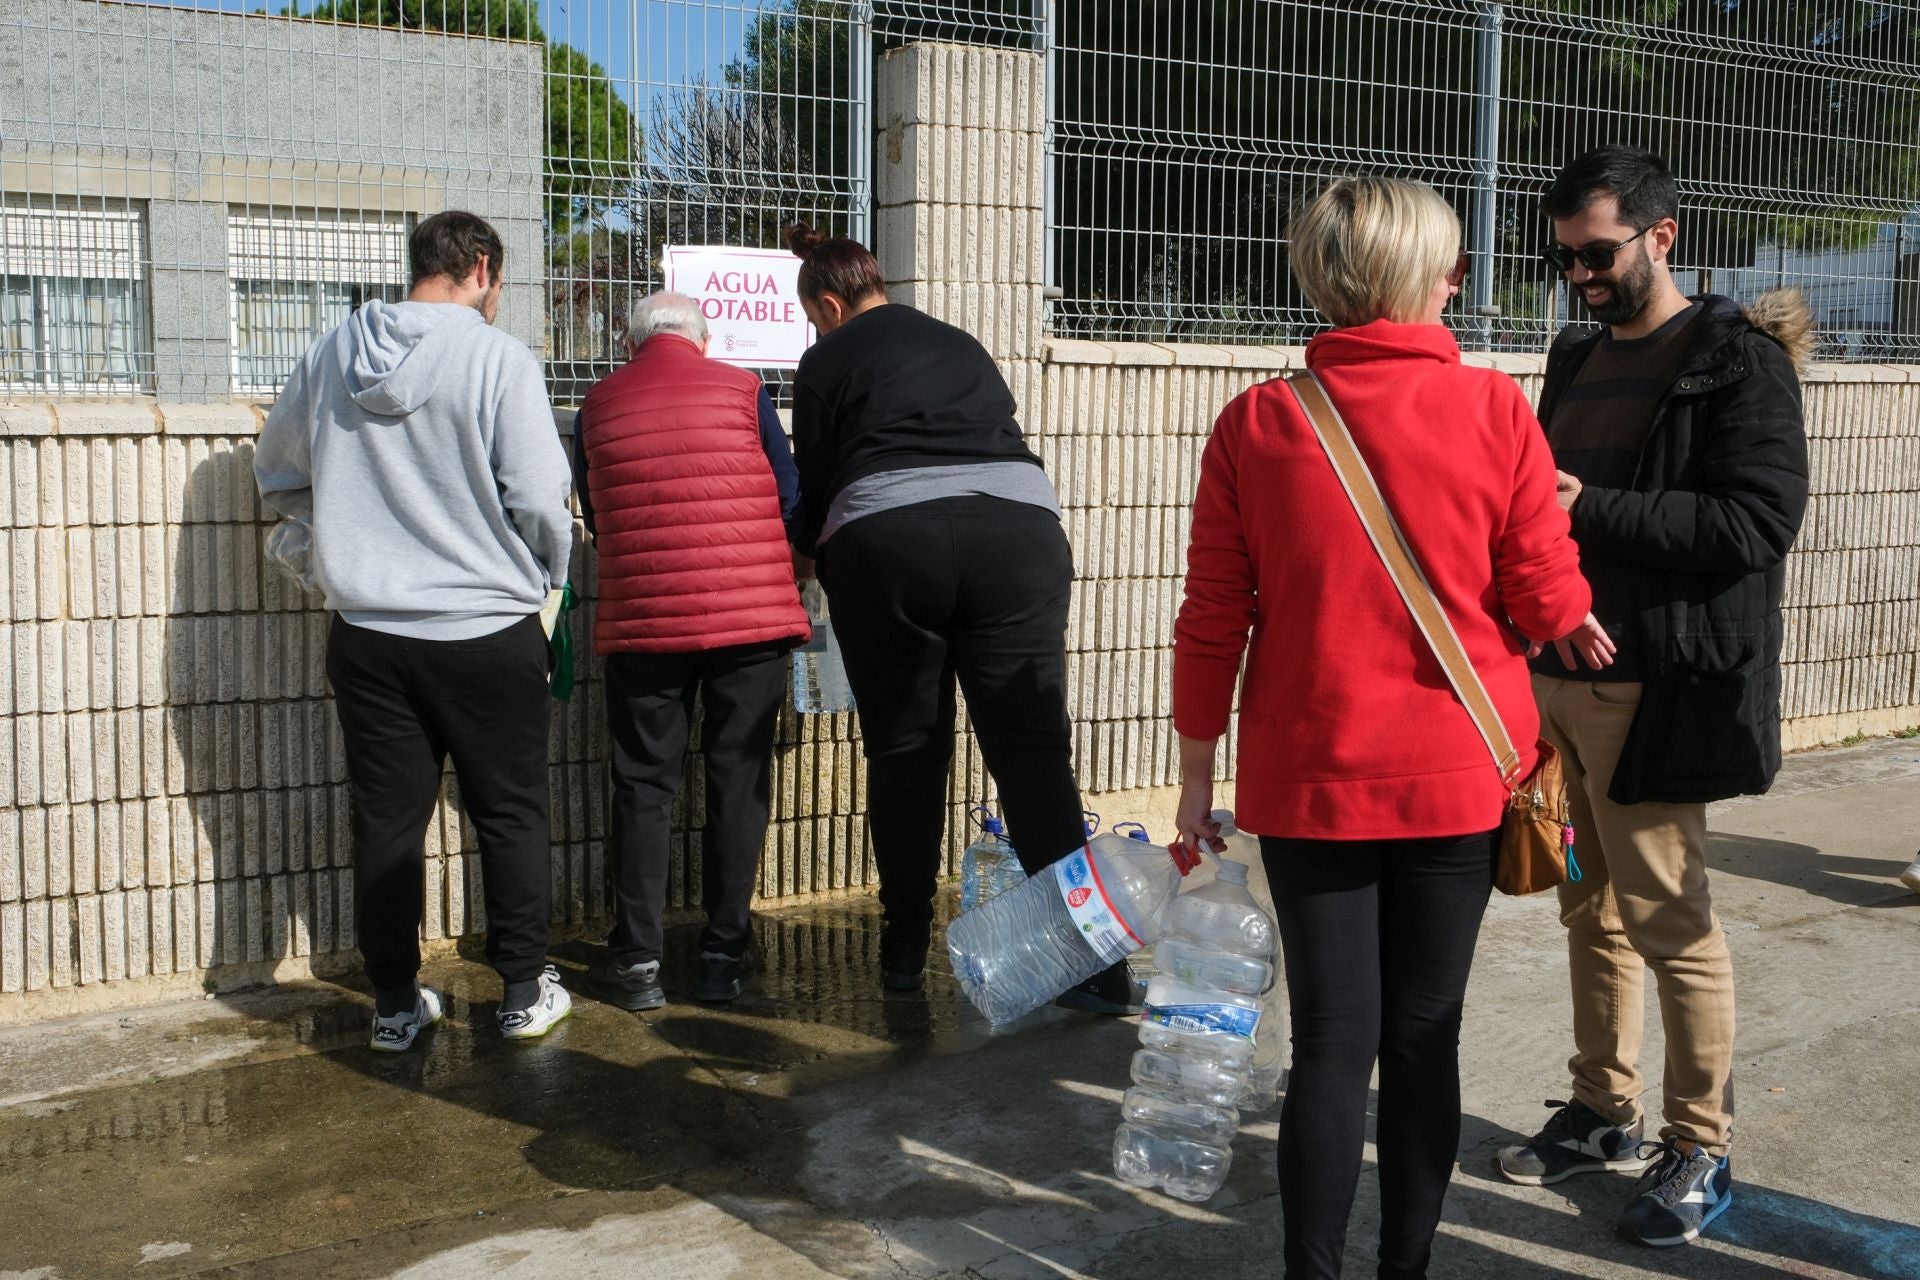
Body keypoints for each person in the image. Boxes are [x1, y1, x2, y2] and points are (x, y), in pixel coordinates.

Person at [1172, 177, 1609, 1279]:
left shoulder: (1259, 421)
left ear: (1326, 278)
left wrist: (1191, 783)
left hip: (1311, 780)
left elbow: (1212, 618)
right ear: (1434, 279)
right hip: (1460, 776)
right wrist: (1570, 597)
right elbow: (1540, 595)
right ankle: (1405, 1267)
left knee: (1328, 1044)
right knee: (1425, 1036)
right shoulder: (1496, 409)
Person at [1495, 146, 1810, 1248]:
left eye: (1596, 251)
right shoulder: (1575, 355)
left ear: (1660, 235)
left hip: (1654, 686)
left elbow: (1753, 526)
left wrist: (1592, 506)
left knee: (1674, 920)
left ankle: (1700, 1143)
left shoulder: (1736, 360)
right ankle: (1601, 1107)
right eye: (1563, 254)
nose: (1577, 272)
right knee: (1590, 909)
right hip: (1555, 681)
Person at [784, 221, 1137, 1013]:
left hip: (890, 543)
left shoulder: (825, 360)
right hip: (1017, 533)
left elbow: (814, 484)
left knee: (907, 751)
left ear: (831, 306)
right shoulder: (957, 340)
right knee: (1033, 753)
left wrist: (805, 552)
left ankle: (905, 950)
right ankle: (1094, 969)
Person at [254, 210, 577, 1049]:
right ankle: (519, 991)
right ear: (479, 267)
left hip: (368, 632)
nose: (497, 298)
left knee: (387, 820)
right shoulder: (498, 359)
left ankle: (396, 1005)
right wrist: (549, 577)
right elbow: (542, 497)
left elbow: (278, 471)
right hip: (485, 624)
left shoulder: (331, 354)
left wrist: (334, 549)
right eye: (498, 282)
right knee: (508, 811)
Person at [571, 292, 810, 1009]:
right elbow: (788, 491)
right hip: (751, 620)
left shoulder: (596, 406)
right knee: (738, 778)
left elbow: (594, 511)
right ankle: (720, 955)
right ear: (700, 341)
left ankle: (638, 960)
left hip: (645, 621)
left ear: (632, 342)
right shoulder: (743, 389)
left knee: (643, 783)